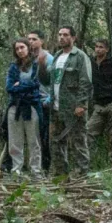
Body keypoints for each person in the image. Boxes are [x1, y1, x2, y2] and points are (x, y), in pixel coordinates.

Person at [40, 26, 93, 178]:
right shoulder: (57, 56)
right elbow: (49, 81)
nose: (61, 37)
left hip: (73, 108)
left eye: (65, 35)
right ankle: (61, 175)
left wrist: (81, 104)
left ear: (73, 38)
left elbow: (86, 82)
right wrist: (41, 67)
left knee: (78, 142)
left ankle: (81, 175)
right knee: (56, 142)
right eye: (60, 35)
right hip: (56, 107)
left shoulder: (80, 56)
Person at [5, 38, 44, 178]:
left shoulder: (36, 64)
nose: (20, 51)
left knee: (34, 140)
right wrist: (24, 85)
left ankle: (36, 170)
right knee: (15, 141)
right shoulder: (13, 67)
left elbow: (35, 84)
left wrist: (19, 85)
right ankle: (16, 170)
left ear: (28, 48)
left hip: (31, 105)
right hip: (15, 106)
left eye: (22, 47)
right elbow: (9, 87)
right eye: (17, 49)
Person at [86, 38, 112, 162]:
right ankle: (91, 162)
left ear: (107, 49)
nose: (98, 49)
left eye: (101, 47)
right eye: (96, 47)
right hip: (98, 105)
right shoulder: (91, 63)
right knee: (89, 132)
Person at [27, 30, 54, 171]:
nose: (31, 41)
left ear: (42, 41)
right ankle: (33, 166)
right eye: (29, 39)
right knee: (32, 136)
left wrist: (48, 100)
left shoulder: (48, 58)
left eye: (34, 39)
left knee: (45, 136)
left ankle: (46, 167)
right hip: (30, 102)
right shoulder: (27, 59)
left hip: (43, 102)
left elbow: (54, 82)